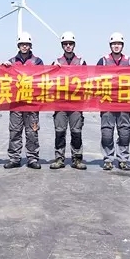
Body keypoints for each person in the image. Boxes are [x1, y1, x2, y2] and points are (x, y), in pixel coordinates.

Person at [2, 32, 43, 169]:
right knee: (15, 131)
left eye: (27, 44)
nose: (24, 47)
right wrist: (3, 68)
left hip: (32, 103)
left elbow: (43, 79)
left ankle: (32, 158)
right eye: (22, 44)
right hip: (16, 103)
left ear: (30, 46)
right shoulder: (11, 62)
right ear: (18, 45)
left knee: (32, 132)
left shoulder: (38, 61)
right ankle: (14, 158)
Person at [96, 32, 130, 171]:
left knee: (124, 132)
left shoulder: (129, 62)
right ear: (110, 45)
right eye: (114, 44)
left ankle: (123, 159)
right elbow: (96, 81)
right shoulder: (103, 61)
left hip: (124, 103)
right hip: (107, 102)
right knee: (107, 132)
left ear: (122, 45)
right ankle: (108, 159)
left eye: (119, 44)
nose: (116, 46)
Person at [50, 31, 87, 170]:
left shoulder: (81, 62)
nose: (68, 46)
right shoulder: (56, 62)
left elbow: (87, 81)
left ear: (74, 45)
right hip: (60, 104)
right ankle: (59, 159)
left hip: (76, 104)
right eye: (65, 44)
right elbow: (50, 82)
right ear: (62, 46)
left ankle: (77, 159)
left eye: (70, 43)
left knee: (76, 132)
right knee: (60, 131)